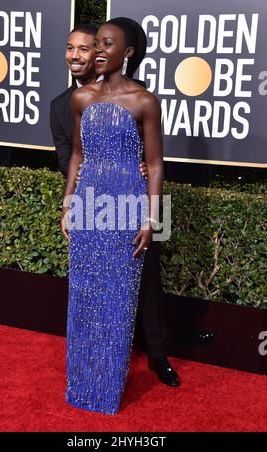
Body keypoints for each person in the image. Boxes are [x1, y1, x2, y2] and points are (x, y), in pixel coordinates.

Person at [51, 23, 181, 391]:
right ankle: (84, 377)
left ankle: (153, 360)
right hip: (91, 201)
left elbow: (156, 163)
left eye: (106, 44)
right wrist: (68, 204)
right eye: (95, 45)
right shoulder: (79, 99)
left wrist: (152, 217)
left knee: (137, 288)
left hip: (131, 200)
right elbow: (76, 155)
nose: (97, 50)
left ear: (128, 53)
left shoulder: (145, 100)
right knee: (87, 291)